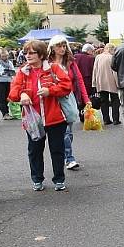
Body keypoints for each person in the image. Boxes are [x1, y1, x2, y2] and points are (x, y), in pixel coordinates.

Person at [8, 40, 72, 191]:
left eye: (32, 52)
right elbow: (12, 94)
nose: (27, 55)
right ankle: (37, 179)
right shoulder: (23, 72)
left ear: (41, 54)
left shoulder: (54, 68)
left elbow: (67, 86)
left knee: (57, 150)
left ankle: (59, 179)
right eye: (26, 53)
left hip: (55, 117)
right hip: (33, 120)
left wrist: (51, 91)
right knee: (35, 150)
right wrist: (22, 94)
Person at [48, 35, 90, 170]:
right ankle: (68, 157)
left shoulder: (70, 62)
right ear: (52, 48)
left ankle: (67, 155)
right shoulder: (47, 63)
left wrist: (86, 99)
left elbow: (79, 80)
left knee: (68, 130)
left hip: (69, 98)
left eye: (64, 45)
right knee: (63, 131)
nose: (62, 48)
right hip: (53, 99)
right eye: (59, 46)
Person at [92, 43, 120, 125]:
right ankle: (115, 119)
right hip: (111, 82)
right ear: (111, 49)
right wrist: (118, 83)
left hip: (100, 82)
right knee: (115, 100)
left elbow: (95, 70)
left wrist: (94, 83)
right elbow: (114, 72)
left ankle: (106, 119)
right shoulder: (112, 57)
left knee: (104, 101)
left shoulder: (98, 57)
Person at [0, 49, 17, 120]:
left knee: (8, 98)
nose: (5, 58)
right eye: (3, 56)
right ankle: (4, 113)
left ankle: (9, 112)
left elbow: (13, 70)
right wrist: (1, 73)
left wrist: (11, 73)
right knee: (2, 98)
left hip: (8, 81)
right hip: (0, 82)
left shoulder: (9, 62)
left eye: (6, 56)